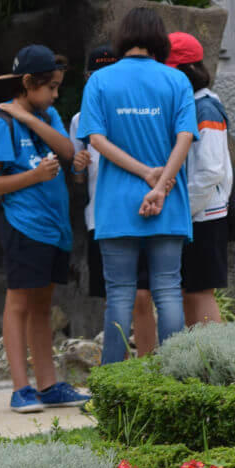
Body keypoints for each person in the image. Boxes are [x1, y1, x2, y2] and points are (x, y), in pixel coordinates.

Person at [76, 7, 197, 365]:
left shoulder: (100, 81)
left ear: (123, 37)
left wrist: (145, 173)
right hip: (167, 201)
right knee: (168, 291)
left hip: (116, 203)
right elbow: (185, 138)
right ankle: (176, 380)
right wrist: (161, 185)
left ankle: (113, 383)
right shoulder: (177, 81)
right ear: (159, 39)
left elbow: (96, 140)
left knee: (119, 295)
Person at [0, 45, 90, 413]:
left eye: (58, 87)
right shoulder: (2, 125)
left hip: (55, 229)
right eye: (51, 87)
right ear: (28, 83)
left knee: (43, 306)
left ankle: (48, 385)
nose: (55, 95)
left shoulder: (46, 115)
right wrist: (34, 176)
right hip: (24, 227)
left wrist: (28, 117)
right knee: (19, 303)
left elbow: (68, 150)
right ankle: (20, 389)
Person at [68, 46, 159, 354]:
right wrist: (78, 167)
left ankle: (149, 369)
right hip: (101, 217)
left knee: (142, 297)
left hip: (140, 213)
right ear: (87, 78)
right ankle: (117, 372)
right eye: (96, 74)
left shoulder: (138, 112)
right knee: (114, 299)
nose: (102, 80)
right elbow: (79, 179)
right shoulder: (80, 119)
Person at [164, 32, 233, 326]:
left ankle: (214, 354)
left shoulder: (205, 109)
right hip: (196, 212)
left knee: (199, 292)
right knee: (188, 292)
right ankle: (196, 352)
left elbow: (210, 171)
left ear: (187, 70)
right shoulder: (194, 105)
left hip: (205, 215)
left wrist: (181, 210)